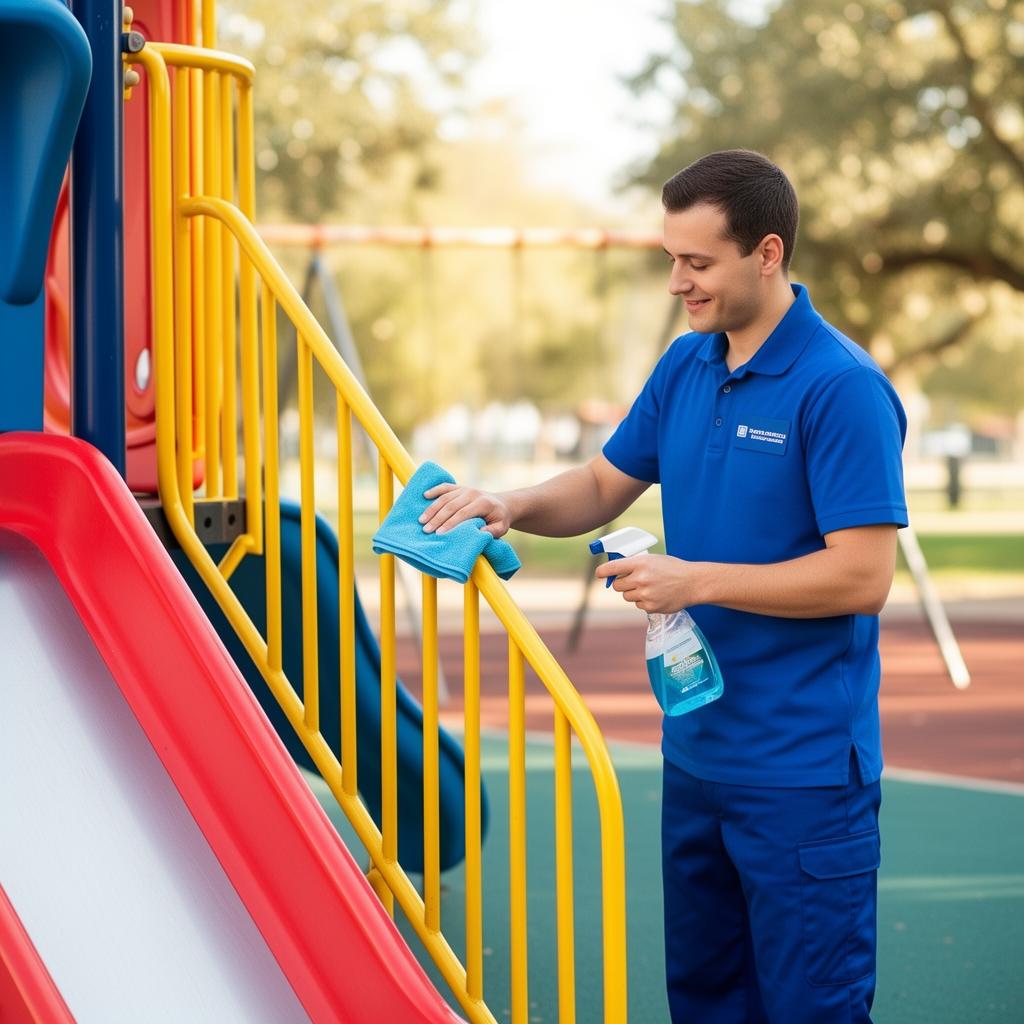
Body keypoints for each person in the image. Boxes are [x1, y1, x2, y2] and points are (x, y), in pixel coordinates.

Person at [418, 149, 907, 1023]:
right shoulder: (685, 365)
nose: (678, 281)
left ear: (767, 253)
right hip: (695, 756)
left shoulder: (842, 387)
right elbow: (602, 483)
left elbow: (863, 577)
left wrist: (694, 581)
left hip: (800, 774)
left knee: (811, 1010)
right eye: (672, 258)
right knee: (706, 1003)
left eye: (698, 262)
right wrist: (510, 504)